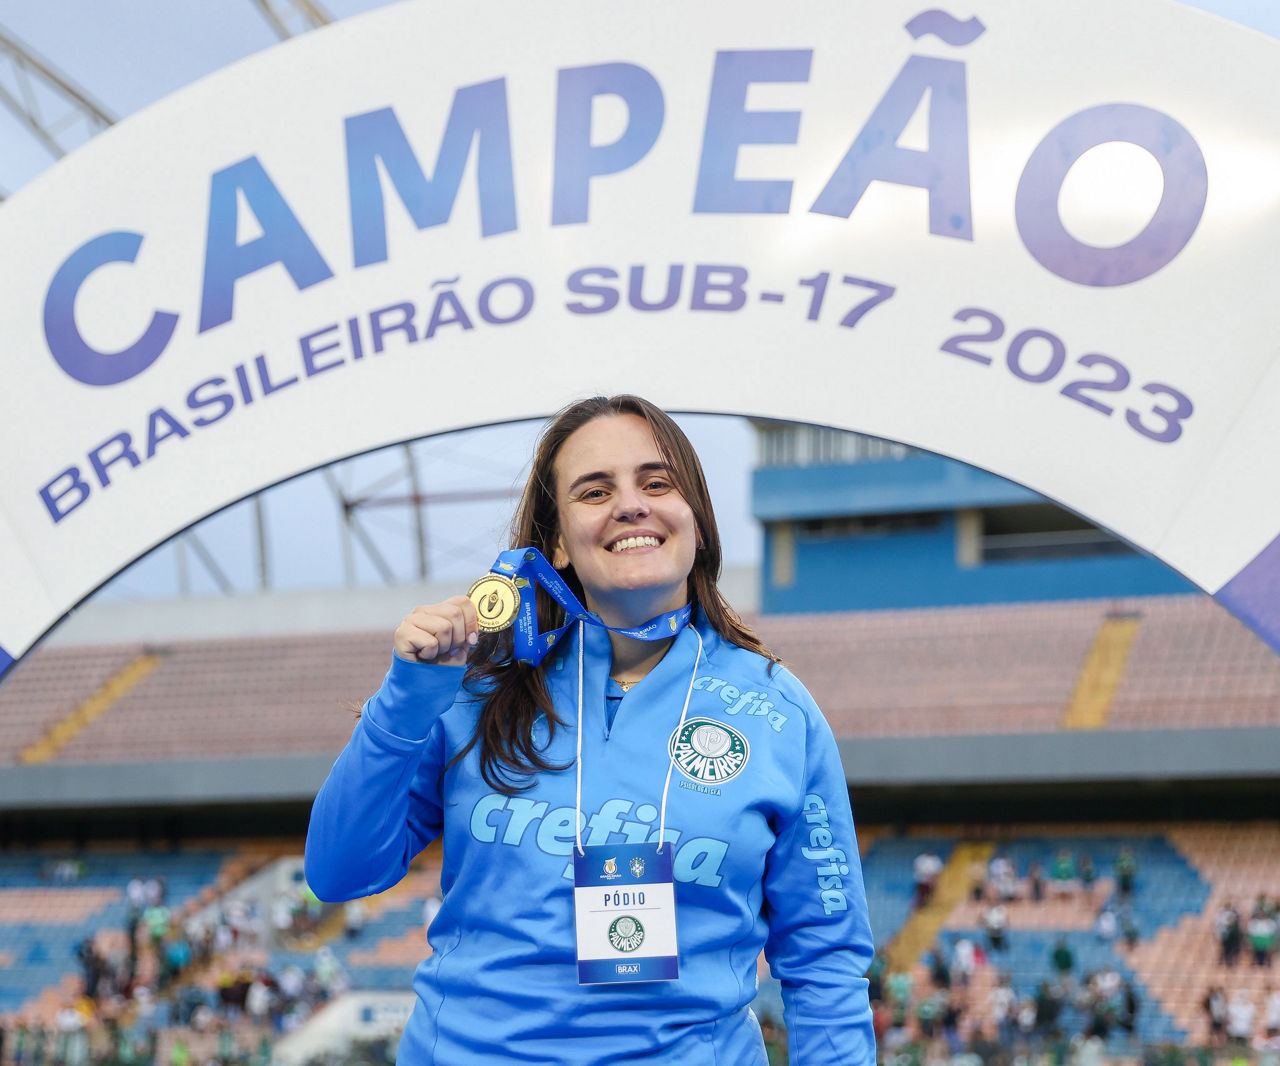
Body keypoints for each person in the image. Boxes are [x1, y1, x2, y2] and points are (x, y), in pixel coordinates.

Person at [304, 396, 876, 1065]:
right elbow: (339, 872)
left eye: (656, 483)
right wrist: (407, 696)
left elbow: (825, 962)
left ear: (696, 519)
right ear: (556, 543)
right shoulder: (474, 688)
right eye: (595, 491)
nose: (630, 505)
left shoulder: (779, 713)